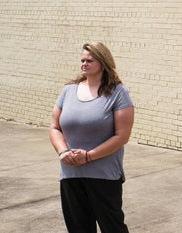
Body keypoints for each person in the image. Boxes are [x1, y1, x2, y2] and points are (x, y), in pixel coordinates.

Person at [49, 41, 135, 233]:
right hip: (70, 173)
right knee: (78, 228)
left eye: (90, 60)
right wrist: (63, 152)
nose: (84, 64)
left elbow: (122, 136)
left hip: (103, 175)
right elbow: (55, 127)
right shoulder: (68, 91)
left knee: (112, 228)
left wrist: (89, 156)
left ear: (103, 63)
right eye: (82, 60)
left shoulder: (118, 92)